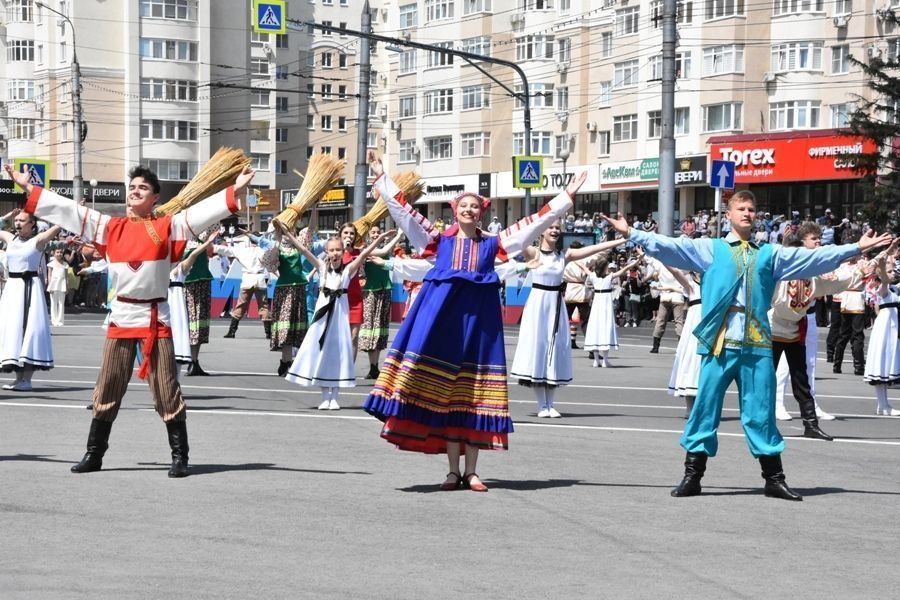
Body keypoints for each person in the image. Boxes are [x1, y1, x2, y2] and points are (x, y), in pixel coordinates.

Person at [602, 190, 891, 501]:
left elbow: (811, 258)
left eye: (752, 209)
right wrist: (632, 233)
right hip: (720, 343)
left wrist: (854, 248)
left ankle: (774, 478)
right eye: (741, 208)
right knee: (705, 408)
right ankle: (692, 476)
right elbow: (670, 248)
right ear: (728, 214)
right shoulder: (710, 249)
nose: (747, 213)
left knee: (761, 411)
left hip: (756, 344)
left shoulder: (769, 254)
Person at [6, 162, 253, 477]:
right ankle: (94, 455)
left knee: (166, 389)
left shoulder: (168, 226)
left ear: (155, 198)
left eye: (143, 188)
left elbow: (202, 212)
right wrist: (29, 187)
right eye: (132, 187)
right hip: (122, 316)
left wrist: (237, 190)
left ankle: (180, 457)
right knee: (107, 386)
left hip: (155, 317)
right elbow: (68, 210)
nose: (135, 191)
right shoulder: (110, 227)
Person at [362, 150, 585, 492]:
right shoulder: (438, 241)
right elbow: (403, 212)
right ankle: (453, 472)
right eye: (463, 206)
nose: (469, 210)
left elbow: (536, 223)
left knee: (473, 395)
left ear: (482, 212)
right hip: (443, 326)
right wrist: (381, 176)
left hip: (480, 327)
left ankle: (472, 472)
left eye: (475, 207)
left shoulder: (495, 244)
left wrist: (565, 197)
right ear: (455, 211)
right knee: (447, 398)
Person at [510, 220, 624, 418]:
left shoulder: (564, 255)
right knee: (539, 349)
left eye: (557, 228)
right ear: (541, 231)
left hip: (556, 303)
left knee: (555, 351)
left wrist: (619, 241)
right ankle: (541, 405)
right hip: (537, 304)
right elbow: (509, 241)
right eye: (550, 227)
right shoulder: (533, 252)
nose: (554, 231)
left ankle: (550, 404)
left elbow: (593, 249)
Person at [281, 223, 395, 410]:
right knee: (321, 354)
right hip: (323, 320)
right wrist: (287, 234)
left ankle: (334, 397)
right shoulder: (321, 267)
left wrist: (380, 239)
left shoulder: (348, 270)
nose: (335, 253)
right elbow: (303, 249)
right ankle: (325, 396)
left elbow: (365, 253)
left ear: (343, 252)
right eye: (331, 250)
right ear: (326, 251)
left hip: (340, 319)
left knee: (338, 355)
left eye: (338, 250)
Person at [769, 222, 861, 439]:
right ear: (802, 243)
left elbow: (842, 280)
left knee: (802, 377)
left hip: (797, 328)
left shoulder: (816, 273)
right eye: (814, 240)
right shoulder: (786, 265)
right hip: (772, 329)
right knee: (767, 377)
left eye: (820, 239)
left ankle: (810, 424)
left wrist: (871, 262)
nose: (819, 243)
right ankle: (764, 421)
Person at [0, 208, 59, 391]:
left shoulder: (38, 240)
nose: (17, 223)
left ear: (32, 224)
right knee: (14, 330)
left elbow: (59, 227)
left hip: (29, 288)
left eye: (22, 220)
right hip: (13, 287)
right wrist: (7, 217)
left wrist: (72, 209)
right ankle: (19, 379)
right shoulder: (11, 239)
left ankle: (27, 379)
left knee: (28, 329)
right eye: (16, 220)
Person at [358, 226, 404, 379]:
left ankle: (374, 367)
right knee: (371, 327)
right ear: (368, 235)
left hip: (384, 289)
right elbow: (383, 252)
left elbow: (387, 252)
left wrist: (398, 236)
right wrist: (397, 236)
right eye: (373, 232)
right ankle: (372, 367)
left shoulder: (386, 248)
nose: (376, 234)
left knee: (380, 329)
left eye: (378, 232)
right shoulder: (365, 249)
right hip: (370, 291)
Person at [169, 234, 217, 373]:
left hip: (202, 283)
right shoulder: (178, 241)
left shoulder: (200, 237)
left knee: (200, 324)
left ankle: (194, 361)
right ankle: (185, 359)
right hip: (186, 285)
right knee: (187, 323)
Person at [584, 253, 640, 367]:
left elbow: (583, 266)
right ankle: (605, 360)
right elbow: (626, 268)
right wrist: (638, 260)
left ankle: (596, 360)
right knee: (605, 328)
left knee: (595, 328)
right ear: (605, 267)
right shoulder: (609, 276)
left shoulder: (593, 276)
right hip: (605, 304)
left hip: (596, 304)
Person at [217, 232, 277, 339]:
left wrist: (212, 247)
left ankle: (232, 331)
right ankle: (268, 333)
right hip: (260, 280)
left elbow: (226, 250)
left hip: (247, 280)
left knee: (240, 305)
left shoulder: (242, 251)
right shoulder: (264, 251)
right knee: (264, 307)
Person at [864, 248, 900, 416]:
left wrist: (892, 258)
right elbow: (885, 278)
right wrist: (884, 264)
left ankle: (884, 405)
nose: (893, 273)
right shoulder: (883, 288)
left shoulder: (894, 289)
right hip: (884, 328)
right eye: (890, 271)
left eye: (894, 270)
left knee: (886, 365)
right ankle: (883, 404)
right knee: (881, 364)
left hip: (892, 328)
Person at [665, 267, 702, 418]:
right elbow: (675, 272)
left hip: (709, 324)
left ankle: (702, 407)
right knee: (690, 361)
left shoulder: (713, 282)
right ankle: (689, 408)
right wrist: (661, 256)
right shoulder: (691, 285)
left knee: (704, 366)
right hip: (694, 324)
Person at [646, 256, 686, 353]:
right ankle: (680, 347)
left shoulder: (660, 263)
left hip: (665, 295)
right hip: (677, 296)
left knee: (660, 321)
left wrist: (642, 254)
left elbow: (649, 260)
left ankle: (655, 346)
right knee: (679, 322)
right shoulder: (680, 263)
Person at [562, 241, 594, 349]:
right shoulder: (583, 261)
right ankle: (590, 346)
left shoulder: (566, 262)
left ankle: (558, 342)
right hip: (581, 292)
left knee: (564, 318)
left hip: (570, 291)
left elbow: (563, 278)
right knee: (586, 320)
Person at [47, 247, 69, 327]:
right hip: (53, 284)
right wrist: (50, 286)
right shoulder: (51, 264)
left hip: (62, 284)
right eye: (57, 252)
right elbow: (49, 275)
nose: (59, 254)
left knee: (61, 303)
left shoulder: (65, 264)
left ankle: (60, 320)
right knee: (53, 303)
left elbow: (66, 276)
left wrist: (67, 286)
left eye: (60, 252)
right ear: (54, 253)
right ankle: (54, 320)